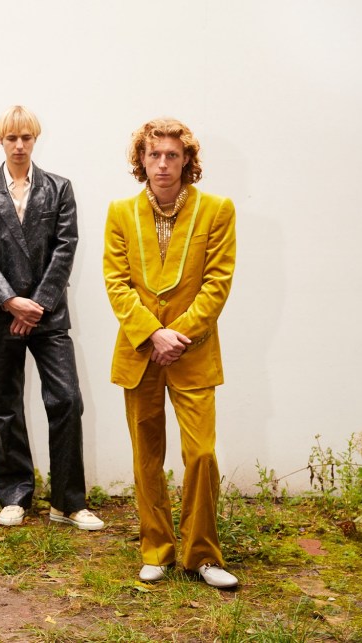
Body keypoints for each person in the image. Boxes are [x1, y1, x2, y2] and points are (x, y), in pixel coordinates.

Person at [103, 117, 238, 589]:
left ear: (187, 161)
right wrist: (151, 334)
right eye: (154, 154)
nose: (163, 164)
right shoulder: (120, 212)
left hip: (192, 353)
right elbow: (116, 283)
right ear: (141, 160)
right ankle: (156, 550)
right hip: (139, 352)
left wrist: (175, 335)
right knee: (147, 457)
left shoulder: (217, 210)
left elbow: (217, 284)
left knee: (201, 454)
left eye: (172, 155)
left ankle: (202, 555)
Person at [0, 106, 104, 531]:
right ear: (1, 141)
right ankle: (14, 495)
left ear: (35, 139)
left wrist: (36, 304)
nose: (19, 145)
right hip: (0, 316)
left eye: (26, 137)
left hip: (48, 315)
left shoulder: (58, 188)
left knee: (67, 401)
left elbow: (65, 247)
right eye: (12, 138)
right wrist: (11, 302)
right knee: (7, 407)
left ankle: (68, 502)